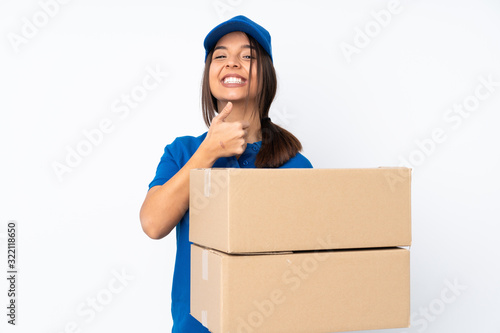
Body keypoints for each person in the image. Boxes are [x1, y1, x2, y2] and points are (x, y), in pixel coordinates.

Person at [139, 15, 313, 332]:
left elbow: (308, 268)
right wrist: (209, 152)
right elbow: (152, 223)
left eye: (247, 56)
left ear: (267, 76)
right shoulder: (182, 153)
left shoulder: (294, 165)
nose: (232, 63)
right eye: (221, 56)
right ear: (210, 76)